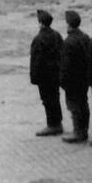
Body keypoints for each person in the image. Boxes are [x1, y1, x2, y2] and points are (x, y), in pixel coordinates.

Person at [30, 9, 63, 137]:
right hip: (55, 74)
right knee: (55, 98)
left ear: (40, 23)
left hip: (44, 76)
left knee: (47, 100)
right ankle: (58, 123)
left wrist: (34, 78)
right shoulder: (57, 35)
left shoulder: (38, 39)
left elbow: (35, 60)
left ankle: (52, 125)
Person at [59, 10, 91, 143]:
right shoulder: (85, 37)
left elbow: (66, 65)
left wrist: (63, 81)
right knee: (83, 104)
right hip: (84, 78)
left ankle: (78, 132)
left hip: (73, 80)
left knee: (74, 106)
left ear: (68, 24)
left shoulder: (68, 42)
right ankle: (84, 130)